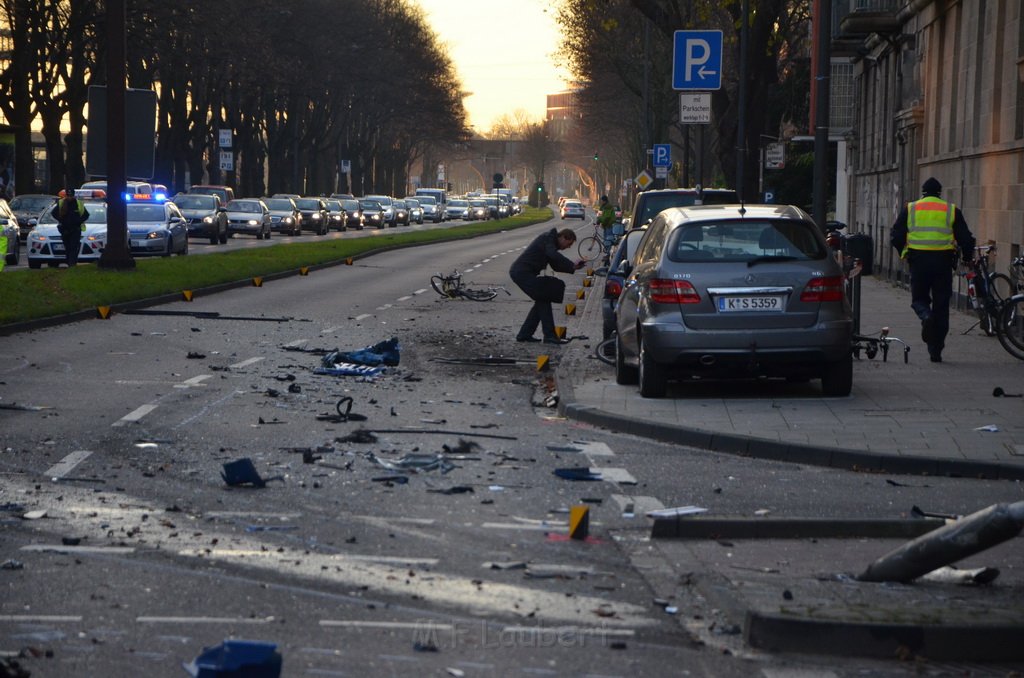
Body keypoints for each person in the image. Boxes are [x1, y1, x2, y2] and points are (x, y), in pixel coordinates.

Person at [890, 177, 976, 363]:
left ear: (923, 192)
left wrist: (904, 253)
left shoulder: (911, 209)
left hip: (918, 261)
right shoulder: (951, 210)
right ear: (939, 192)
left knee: (919, 299)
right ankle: (935, 350)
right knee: (942, 306)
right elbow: (967, 240)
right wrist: (967, 258)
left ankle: (925, 315)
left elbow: (896, 236)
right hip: (943, 263)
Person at [510, 227, 585, 344]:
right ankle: (549, 336)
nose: (568, 247)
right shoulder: (548, 239)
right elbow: (552, 254)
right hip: (521, 273)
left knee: (542, 300)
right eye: (568, 244)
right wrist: (571, 263)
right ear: (563, 237)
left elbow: (555, 265)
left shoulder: (551, 244)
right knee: (544, 299)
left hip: (525, 273)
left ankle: (525, 334)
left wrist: (573, 267)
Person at [52, 190, 89, 267]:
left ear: (74, 196)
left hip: (75, 229)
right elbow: (53, 213)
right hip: (65, 229)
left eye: (71, 196)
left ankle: (72, 264)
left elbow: (86, 215)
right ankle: (69, 262)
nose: (69, 197)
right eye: (68, 196)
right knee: (67, 247)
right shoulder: (61, 203)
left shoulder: (78, 203)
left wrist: (79, 221)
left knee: (74, 247)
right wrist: (61, 220)